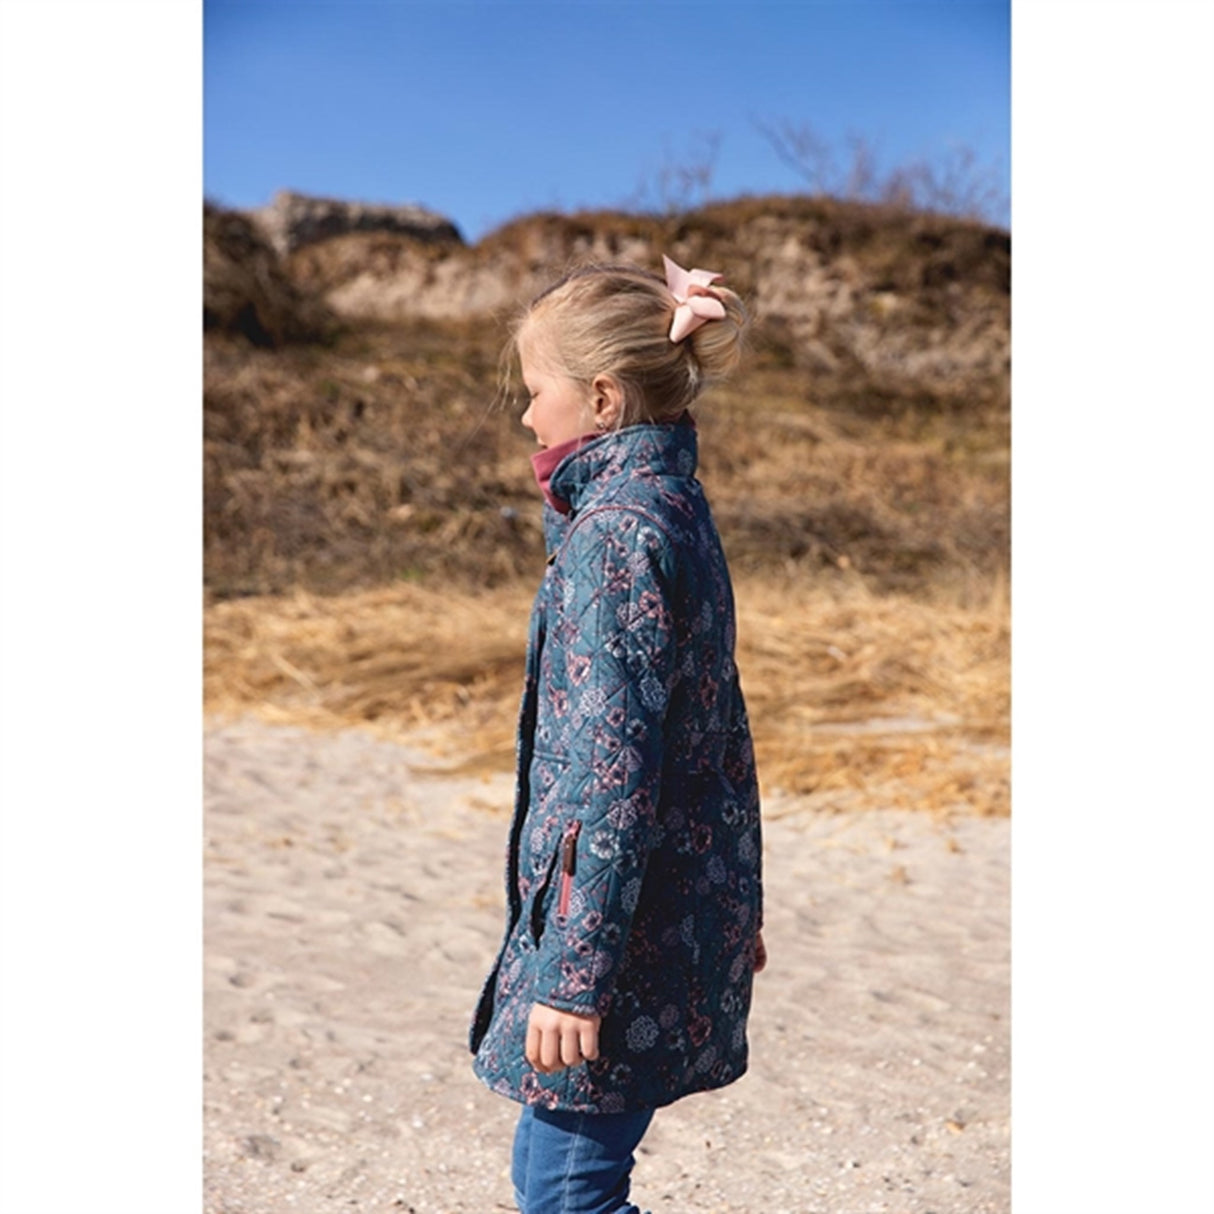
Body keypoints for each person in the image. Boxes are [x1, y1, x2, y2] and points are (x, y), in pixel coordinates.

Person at [469, 255, 765, 1214]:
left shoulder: (615, 537)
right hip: (666, 902)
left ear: (600, 399)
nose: (526, 415)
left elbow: (612, 772)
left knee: (566, 1194)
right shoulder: (672, 508)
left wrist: (572, 977)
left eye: (535, 390)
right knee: (548, 1172)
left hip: (619, 936)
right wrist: (734, 899)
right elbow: (715, 734)